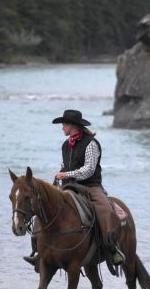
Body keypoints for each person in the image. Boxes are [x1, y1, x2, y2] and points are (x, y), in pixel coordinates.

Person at [23, 109, 124, 266]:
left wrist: (67, 174)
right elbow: (66, 166)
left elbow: (89, 169)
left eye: (64, 124)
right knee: (44, 206)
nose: (62, 127)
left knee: (105, 211)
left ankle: (113, 249)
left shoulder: (91, 143)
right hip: (70, 186)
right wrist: (59, 178)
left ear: (73, 126)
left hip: (91, 186)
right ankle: (39, 251)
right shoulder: (65, 145)